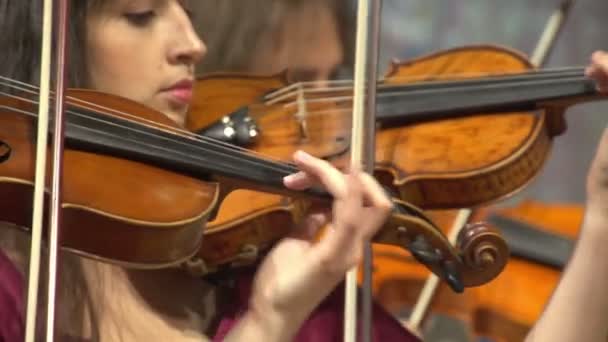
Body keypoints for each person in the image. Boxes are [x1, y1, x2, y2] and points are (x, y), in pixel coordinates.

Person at [0, 1, 393, 341]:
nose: (194, 44)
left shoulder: (239, 266)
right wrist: (267, 324)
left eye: (188, 11)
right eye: (141, 14)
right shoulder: (13, 287)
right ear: (48, 41)